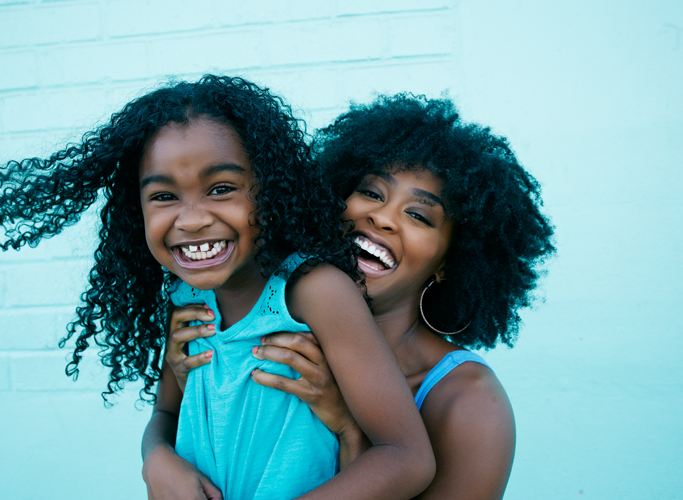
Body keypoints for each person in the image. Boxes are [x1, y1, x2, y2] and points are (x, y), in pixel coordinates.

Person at [0, 76, 434, 500]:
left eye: (221, 188)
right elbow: (166, 412)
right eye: (163, 196)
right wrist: (155, 456)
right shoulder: (186, 300)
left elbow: (407, 458)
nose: (193, 219)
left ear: (271, 188)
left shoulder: (314, 292)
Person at [164, 93, 555, 499]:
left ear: (450, 262)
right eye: (371, 193)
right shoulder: (274, 333)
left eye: (419, 216)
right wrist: (178, 404)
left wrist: (351, 429)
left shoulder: (470, 403)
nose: (382, 218)